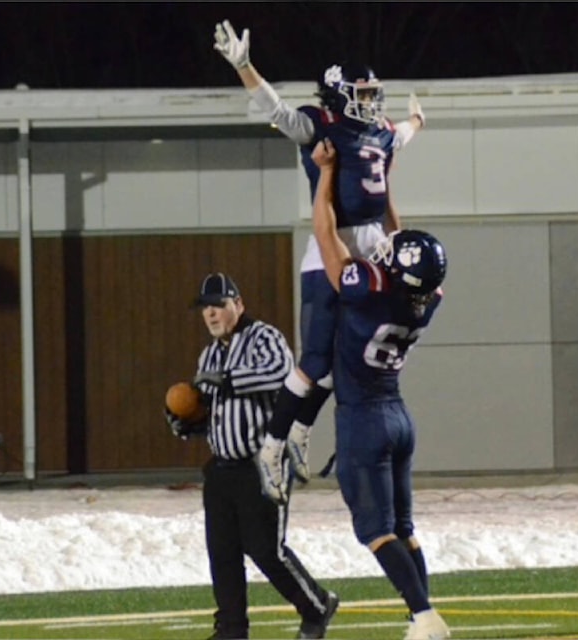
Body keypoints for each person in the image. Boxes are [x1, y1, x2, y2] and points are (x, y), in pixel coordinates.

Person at [212, 19, 426, 502]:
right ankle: (272, 444)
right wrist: (245, 67)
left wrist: (416, 122)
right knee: (314, 359)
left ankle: (299, 429)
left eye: (373, 94)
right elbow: (278, 113)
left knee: (346, 358)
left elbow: (402, 137)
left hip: (373, 247)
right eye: (362, 93)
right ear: (338, 94)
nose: (370, 102)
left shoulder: (381, 132)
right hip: (332, 246)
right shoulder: (322, 126)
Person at [308, 137, 451, 640]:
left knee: (375, 530)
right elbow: (400, 241)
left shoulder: (368, 292)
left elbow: (325, 234)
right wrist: (385, 187)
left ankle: (425, 617)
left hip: (365, 419)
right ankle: (423, 616)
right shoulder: (425, 299)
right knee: (404, 531)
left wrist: (325, 172)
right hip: (397, 416)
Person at [164, 271, 338, 640]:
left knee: (266, 550)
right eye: (205, 308)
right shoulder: (208, 354)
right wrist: (187, 423)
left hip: (262, 465)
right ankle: (231, 630)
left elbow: (280, 375)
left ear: (238, 305)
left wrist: (226, 381)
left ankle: (317, 605)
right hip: (222, 468)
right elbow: (213, 411)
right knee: (222, 553)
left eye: (219, 306)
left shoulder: (266, 337)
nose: (211, 314)